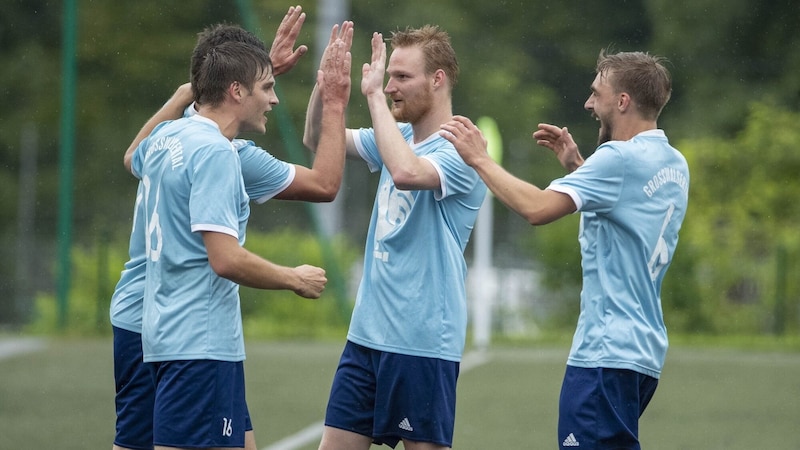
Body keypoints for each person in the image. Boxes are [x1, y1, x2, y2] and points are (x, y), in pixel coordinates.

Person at [110, 10, 352, 450]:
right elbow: (225, 257)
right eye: (269, 87)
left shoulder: (169, 136)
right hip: (194, 336)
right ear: (236, 91)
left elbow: (134, 157)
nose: (275, 98)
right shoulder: (221, 154)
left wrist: (219, 83)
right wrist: (293, 277)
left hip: (145, 320)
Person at [440, 49, 689, 449]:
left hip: (605, 353)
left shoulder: (618, 159)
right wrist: (579, 168)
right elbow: (626, 210)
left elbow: (536, 209)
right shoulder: (674, 163)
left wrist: (479, 159)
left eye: (597, 93)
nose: (589, 104)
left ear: (622, 101)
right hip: (643, 354)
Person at [304, 26, 487, 450]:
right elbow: (317, 139)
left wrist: (370, 98)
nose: (389, 87)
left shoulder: (462, 148)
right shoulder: (399, 134)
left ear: (437, 80)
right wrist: (327, 86)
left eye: (402, 77)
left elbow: (407, 173)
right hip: (366, 337)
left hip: (422, 343)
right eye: (389, 78)